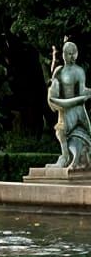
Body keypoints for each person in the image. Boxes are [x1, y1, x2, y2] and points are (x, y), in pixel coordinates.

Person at [49, 41, 91, 171]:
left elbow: (82, 93)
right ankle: (65, 156)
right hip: (64, 108)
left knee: (63, 131)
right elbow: (53, 88)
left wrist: (87, 93)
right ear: (63, 55)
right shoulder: (59, 70)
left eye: (74, 54)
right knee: (60, 132)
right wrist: (53, 97)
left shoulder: (79, 71)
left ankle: (69, 157)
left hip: (76, 108)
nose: (72, 57)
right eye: (69, 54)